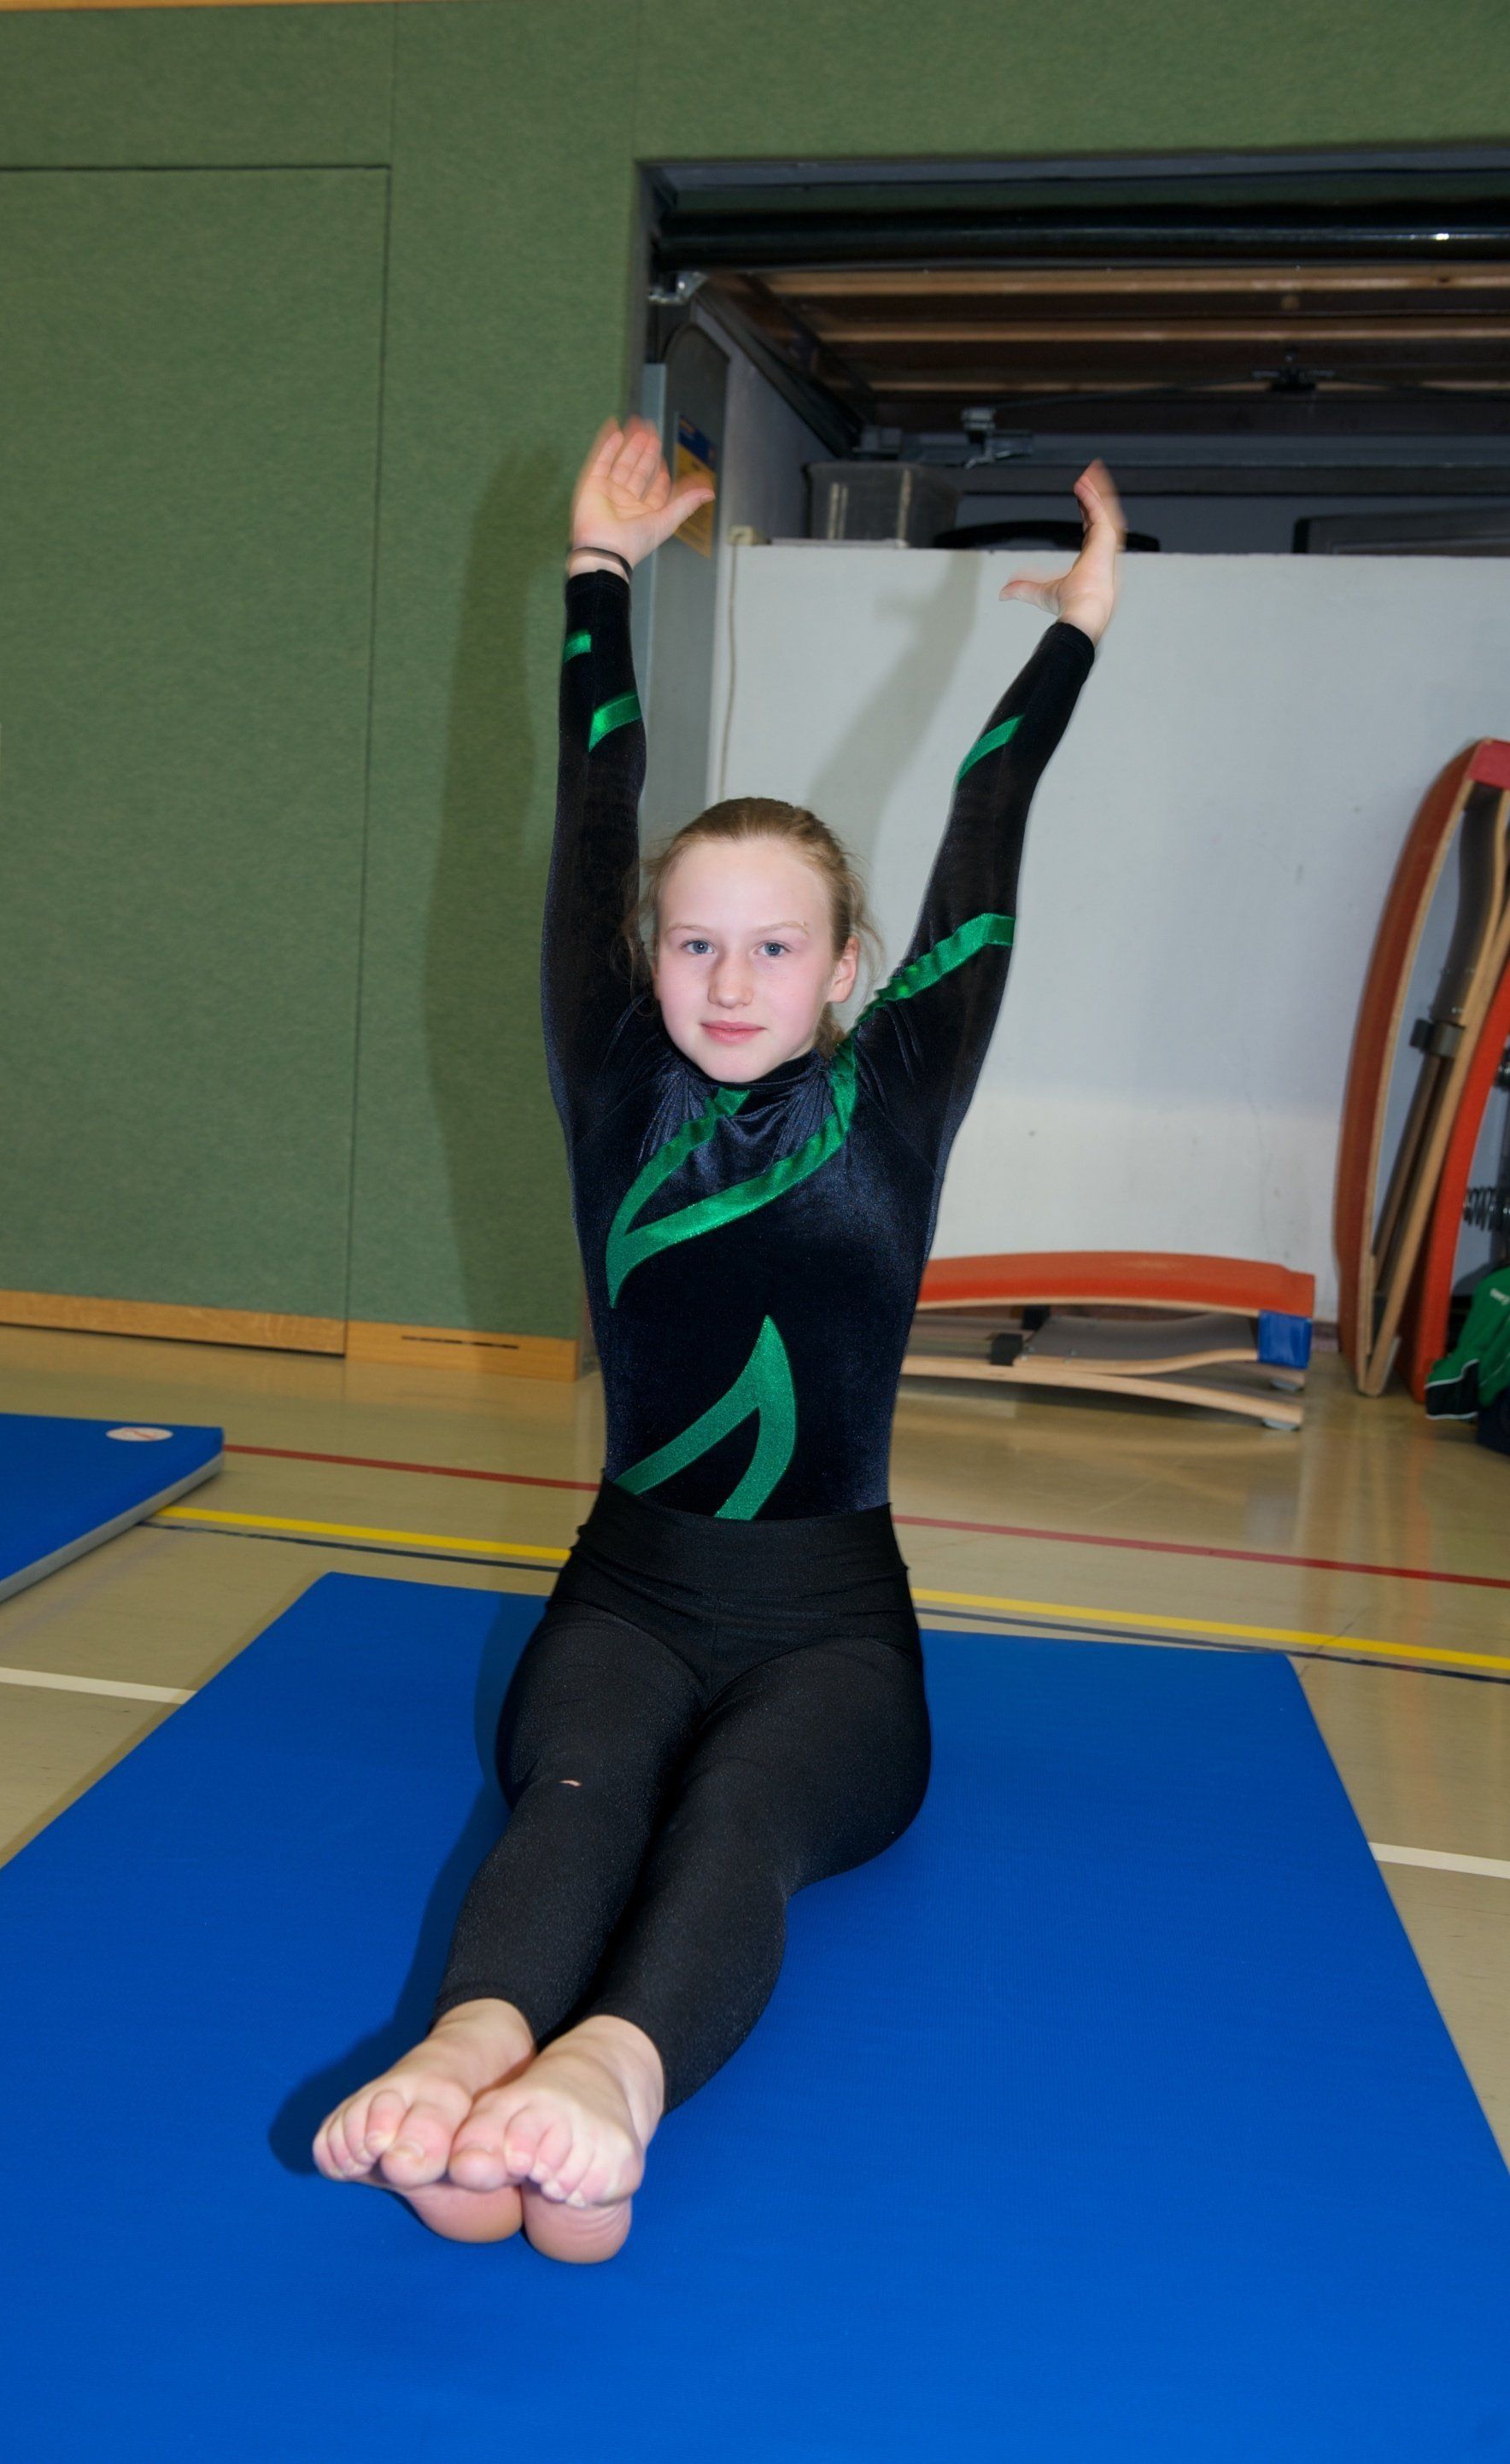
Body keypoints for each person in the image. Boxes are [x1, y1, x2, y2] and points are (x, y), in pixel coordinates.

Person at [315, 416, 1123, 2264]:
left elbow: (991, 821)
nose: (731, 983)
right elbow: (598, 796)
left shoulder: (902, 1088)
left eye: (776, 949)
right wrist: (597, 579)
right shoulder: (611, 1080)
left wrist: (1075, 629)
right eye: (694, 947)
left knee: (737, 1814)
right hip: (625, 1594)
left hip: (837, 1637)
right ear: (645, 958)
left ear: (851, 971)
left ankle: (607, 2074)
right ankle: (472, 2044)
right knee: (583, 1785)